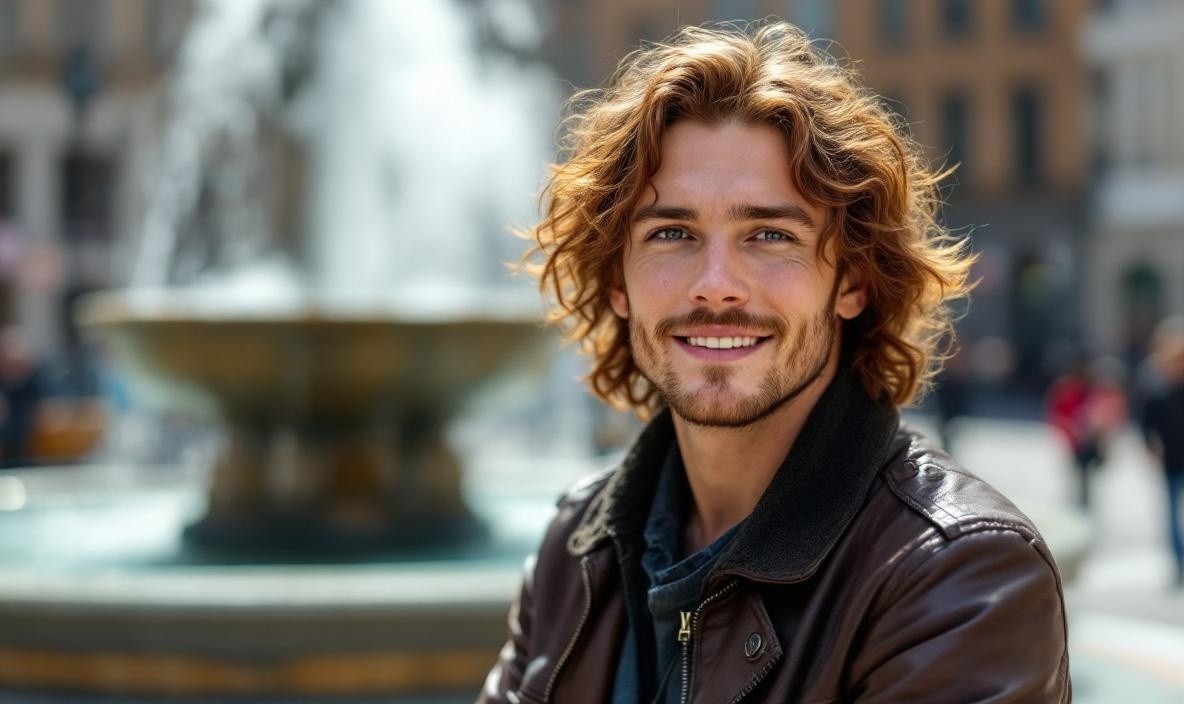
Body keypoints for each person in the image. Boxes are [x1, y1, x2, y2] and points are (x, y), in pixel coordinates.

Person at [480, 22, 1069, 703]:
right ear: (618, 282)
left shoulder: (961, 573)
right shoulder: (574, 549)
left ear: (852, 281)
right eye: (672, 233)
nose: (715, 285)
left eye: (768, 234)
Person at [1140, 318, 1184, 588]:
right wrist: (1151, 447)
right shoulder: (1157, 387)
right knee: (1171, 515)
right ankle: (1179, 562)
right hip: (1172, 460)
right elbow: (1146, 423)